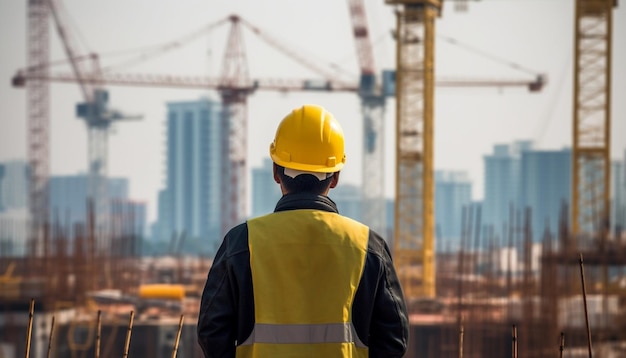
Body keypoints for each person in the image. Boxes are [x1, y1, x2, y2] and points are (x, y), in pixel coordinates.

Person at [197, 104, 409, 358]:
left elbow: (212, 331)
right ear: (335, 177)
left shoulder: (242, 242)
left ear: (276, 172)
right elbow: (394, 338)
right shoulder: (367, 246)